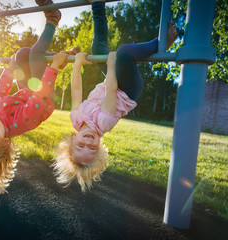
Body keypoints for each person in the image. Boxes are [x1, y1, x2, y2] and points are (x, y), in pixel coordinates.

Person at [52, 0, 178, 192]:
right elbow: (111, 90)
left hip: (112, 81)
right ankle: (161, 43)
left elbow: (76, 92)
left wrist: (77, 65)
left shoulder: (76, 119)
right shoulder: (104, 124)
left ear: (72, 140)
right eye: (92, 149)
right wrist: (111, 64)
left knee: (97, 49)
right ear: (99, 146)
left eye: (80, 147)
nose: (87, 143)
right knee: (124, 53)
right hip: (128, 89)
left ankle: (97, 4)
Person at [0, 1, 78, 194]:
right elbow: (40, 98)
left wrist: (10, 69)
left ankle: (60, 58)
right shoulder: (19, 123)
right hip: (42, 96)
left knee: (22, 54)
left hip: (25, 90)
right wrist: (52, 68)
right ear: (4, 144)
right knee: (37, 53)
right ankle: (53, 18)